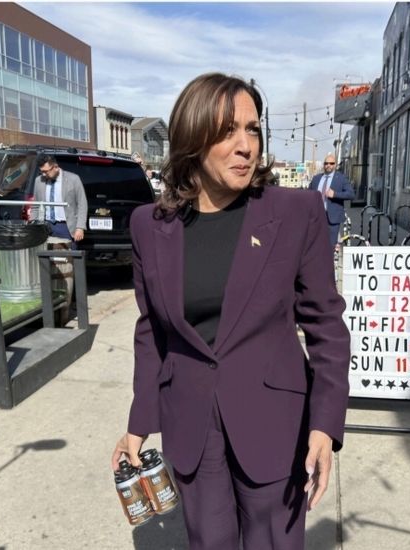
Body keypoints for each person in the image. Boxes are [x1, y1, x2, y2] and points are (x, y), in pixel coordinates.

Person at [110, 72, 350, 550]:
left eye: (253, 128)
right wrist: (139, 423)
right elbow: (151, 330)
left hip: (274, 424)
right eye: (227, 131)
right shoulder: (149, 226)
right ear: (192, 140)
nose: (246, 145)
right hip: (193, 425)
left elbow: (326, 327)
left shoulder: (295, 213)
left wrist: (325, 425)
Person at [32, 154, 87, 246]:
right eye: (41, 172)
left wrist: (80, 227)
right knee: (46, 258)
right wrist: (33, 224)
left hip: (66, 227)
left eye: (46, 171)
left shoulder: (73, 179)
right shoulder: (39, 181)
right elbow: (36, 205)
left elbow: (82, 204)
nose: (44, 174)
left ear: (56, 167)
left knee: (67, 258)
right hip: (45, 226)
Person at [307, 153, 354, 249]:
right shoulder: (316, 179)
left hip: (333, 217)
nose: (328, 165)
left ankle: (329, 263)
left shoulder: (341, 178)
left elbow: (351, 194)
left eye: (331, 163)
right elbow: (308, 194)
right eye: (326, 163)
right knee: (316, 244)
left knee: (330, 246)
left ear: (335, 165)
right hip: (317, 216)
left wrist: (335, 194)